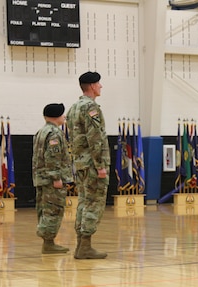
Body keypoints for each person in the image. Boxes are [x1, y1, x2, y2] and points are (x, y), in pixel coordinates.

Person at [67, 71, 110, 259]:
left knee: (84, 203)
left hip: (80, 164)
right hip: (92, 164)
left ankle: (81, 245)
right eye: (99, 83)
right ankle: (85, 246)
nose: (101, 86)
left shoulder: (73, 108)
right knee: (94, 203)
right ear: (92, 86)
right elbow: (95, 138)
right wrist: (100, 165)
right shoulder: (91, 108)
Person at [32, 103, 73, 254]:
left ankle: (48, 241)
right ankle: (49, 243)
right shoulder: (54, 133)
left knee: (44, 209)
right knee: (53, 210)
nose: (64, 117)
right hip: (51, 179)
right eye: (62, 114)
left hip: (41, 178)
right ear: (57, 116)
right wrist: (56, 177)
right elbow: (52, 157)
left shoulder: (41, 132)